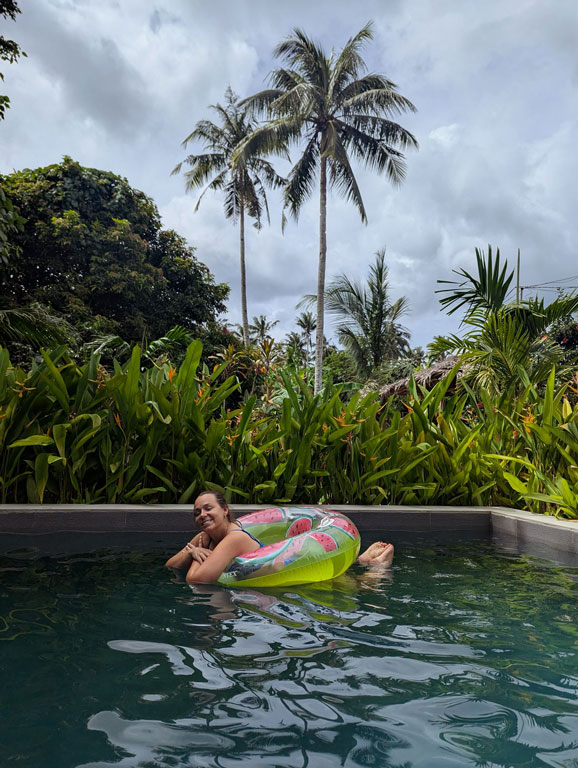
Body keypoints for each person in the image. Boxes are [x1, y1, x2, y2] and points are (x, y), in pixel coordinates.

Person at [166, 490, 395, 584]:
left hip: (284, 570)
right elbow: (171, 565)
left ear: (224, 510)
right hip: (269, 577)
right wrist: (194, 551)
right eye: (197, 512)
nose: (202, 515)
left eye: (208, 508)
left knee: (345, 587)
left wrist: (193, 554)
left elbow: (196, 580)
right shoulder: (204, 539)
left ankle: (376, 569)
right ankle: (363, 561)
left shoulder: (233, 538)